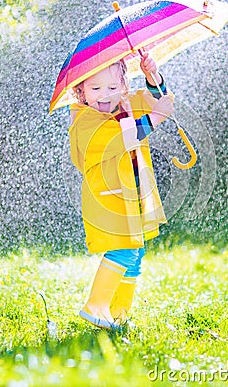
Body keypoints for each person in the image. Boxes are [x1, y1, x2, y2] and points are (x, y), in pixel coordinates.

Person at [69, 52, 174, 329]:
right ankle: (96, 306)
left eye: (113, 87)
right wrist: (155, 118)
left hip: (132, 197)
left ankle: (119, 314)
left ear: (124, 87)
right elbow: (122, 138)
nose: (105, 95)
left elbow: (158, 99)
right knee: (124, 251)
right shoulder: (84, 120)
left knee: (135, 253)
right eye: (95, 88)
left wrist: (153, 76)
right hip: (108, 200)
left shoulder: (125, 106)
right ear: (80, 91)